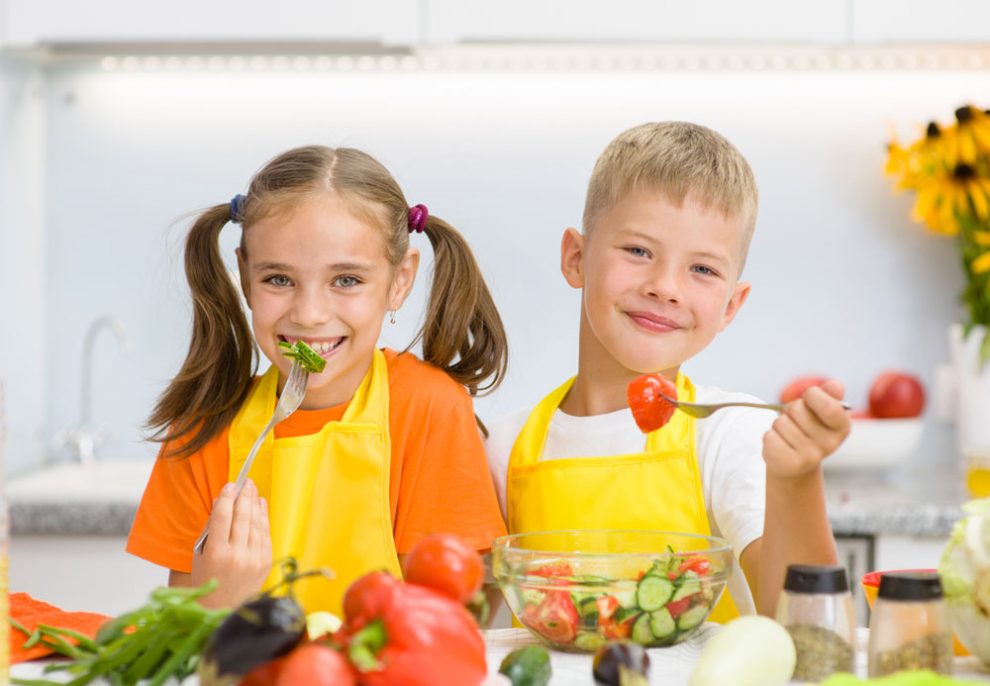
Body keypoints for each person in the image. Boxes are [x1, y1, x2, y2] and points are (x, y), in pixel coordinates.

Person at [486, 122, 850, 618]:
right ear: (576, 258)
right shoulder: (502, 447)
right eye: (638, 251)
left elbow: (807, 627)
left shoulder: (732, 434)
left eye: (702, 269)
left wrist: (797, 477)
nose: (665, 286)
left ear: (730, 306)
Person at [128, 145, 508, 613]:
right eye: (279, 280)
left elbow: (454, 621)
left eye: (346, 280)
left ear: (400, 280)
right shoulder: (202, 426)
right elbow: (185, 636)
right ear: (245, 275)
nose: (309, 314)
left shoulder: (428, 407)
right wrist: (222, 602)